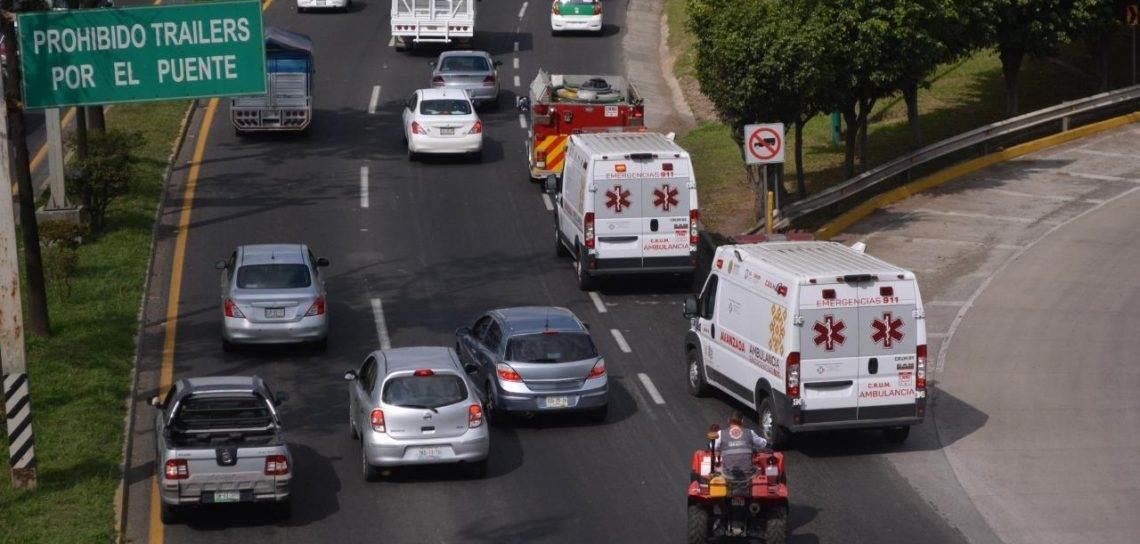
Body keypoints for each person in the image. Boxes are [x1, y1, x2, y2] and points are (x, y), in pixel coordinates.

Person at [713, 411, 769, 478]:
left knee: (718, 469)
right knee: (759, 469)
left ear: (729, 420)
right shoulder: (750, 432)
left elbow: (712, 447)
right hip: (748, 474)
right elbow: (763, 443)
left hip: (729, 475)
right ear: (742, 421)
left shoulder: (720, 434)